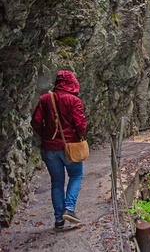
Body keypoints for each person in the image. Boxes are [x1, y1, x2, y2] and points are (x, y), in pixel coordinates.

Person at [31, 70, 87, 229]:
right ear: (73, 83)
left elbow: (35, 121)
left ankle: (59, 220)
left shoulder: (45, 99)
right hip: (70, 148)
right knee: (76, 175)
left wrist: (45, 135)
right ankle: (69, 209)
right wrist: (76, 136)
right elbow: (81, 125)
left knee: (57, 182)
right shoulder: (74, 101)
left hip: (48, 149)